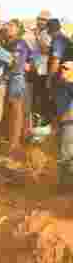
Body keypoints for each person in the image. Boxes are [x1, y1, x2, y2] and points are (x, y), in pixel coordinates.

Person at [4, 19, 32, 152]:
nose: (8, 28)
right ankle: (12, 140)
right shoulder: (8, 43)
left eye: (11, 26)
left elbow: (18, 64)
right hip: (11, 78)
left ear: (18, 29)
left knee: (16, 110)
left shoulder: (19, 43)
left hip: (16, 78)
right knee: (11, 110)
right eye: (8, 25)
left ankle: (14, 143)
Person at [55, 60, 73, 189]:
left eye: (66, 68)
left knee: (66, 155)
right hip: (66, 123)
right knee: (66, 154)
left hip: (69, 123)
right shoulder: (62, 85)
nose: (63, 70)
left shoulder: (66, 86)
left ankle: (64, 186)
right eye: (62, 68)